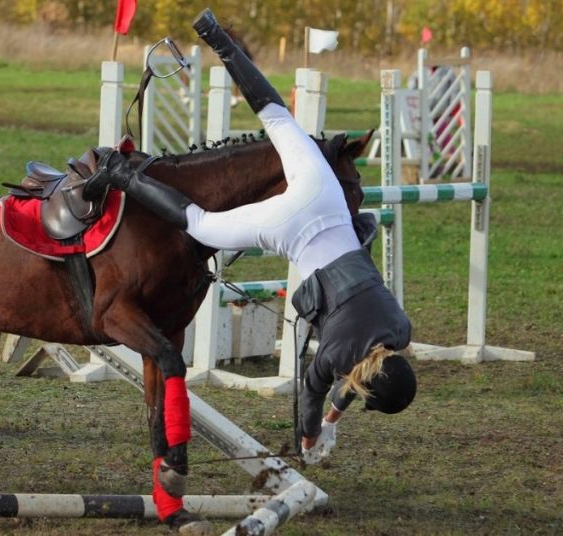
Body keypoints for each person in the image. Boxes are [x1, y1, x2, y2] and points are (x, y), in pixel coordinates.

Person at [83, 8, 417, 465]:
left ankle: (216, 36)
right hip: (288, 226)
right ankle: (121, 173)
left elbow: (357, 377)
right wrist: (309, 440)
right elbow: (313, 396)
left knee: (276, 114)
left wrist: (333, 421)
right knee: (198, 224)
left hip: (324, 198)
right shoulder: (338, 354)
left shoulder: (400, 329)